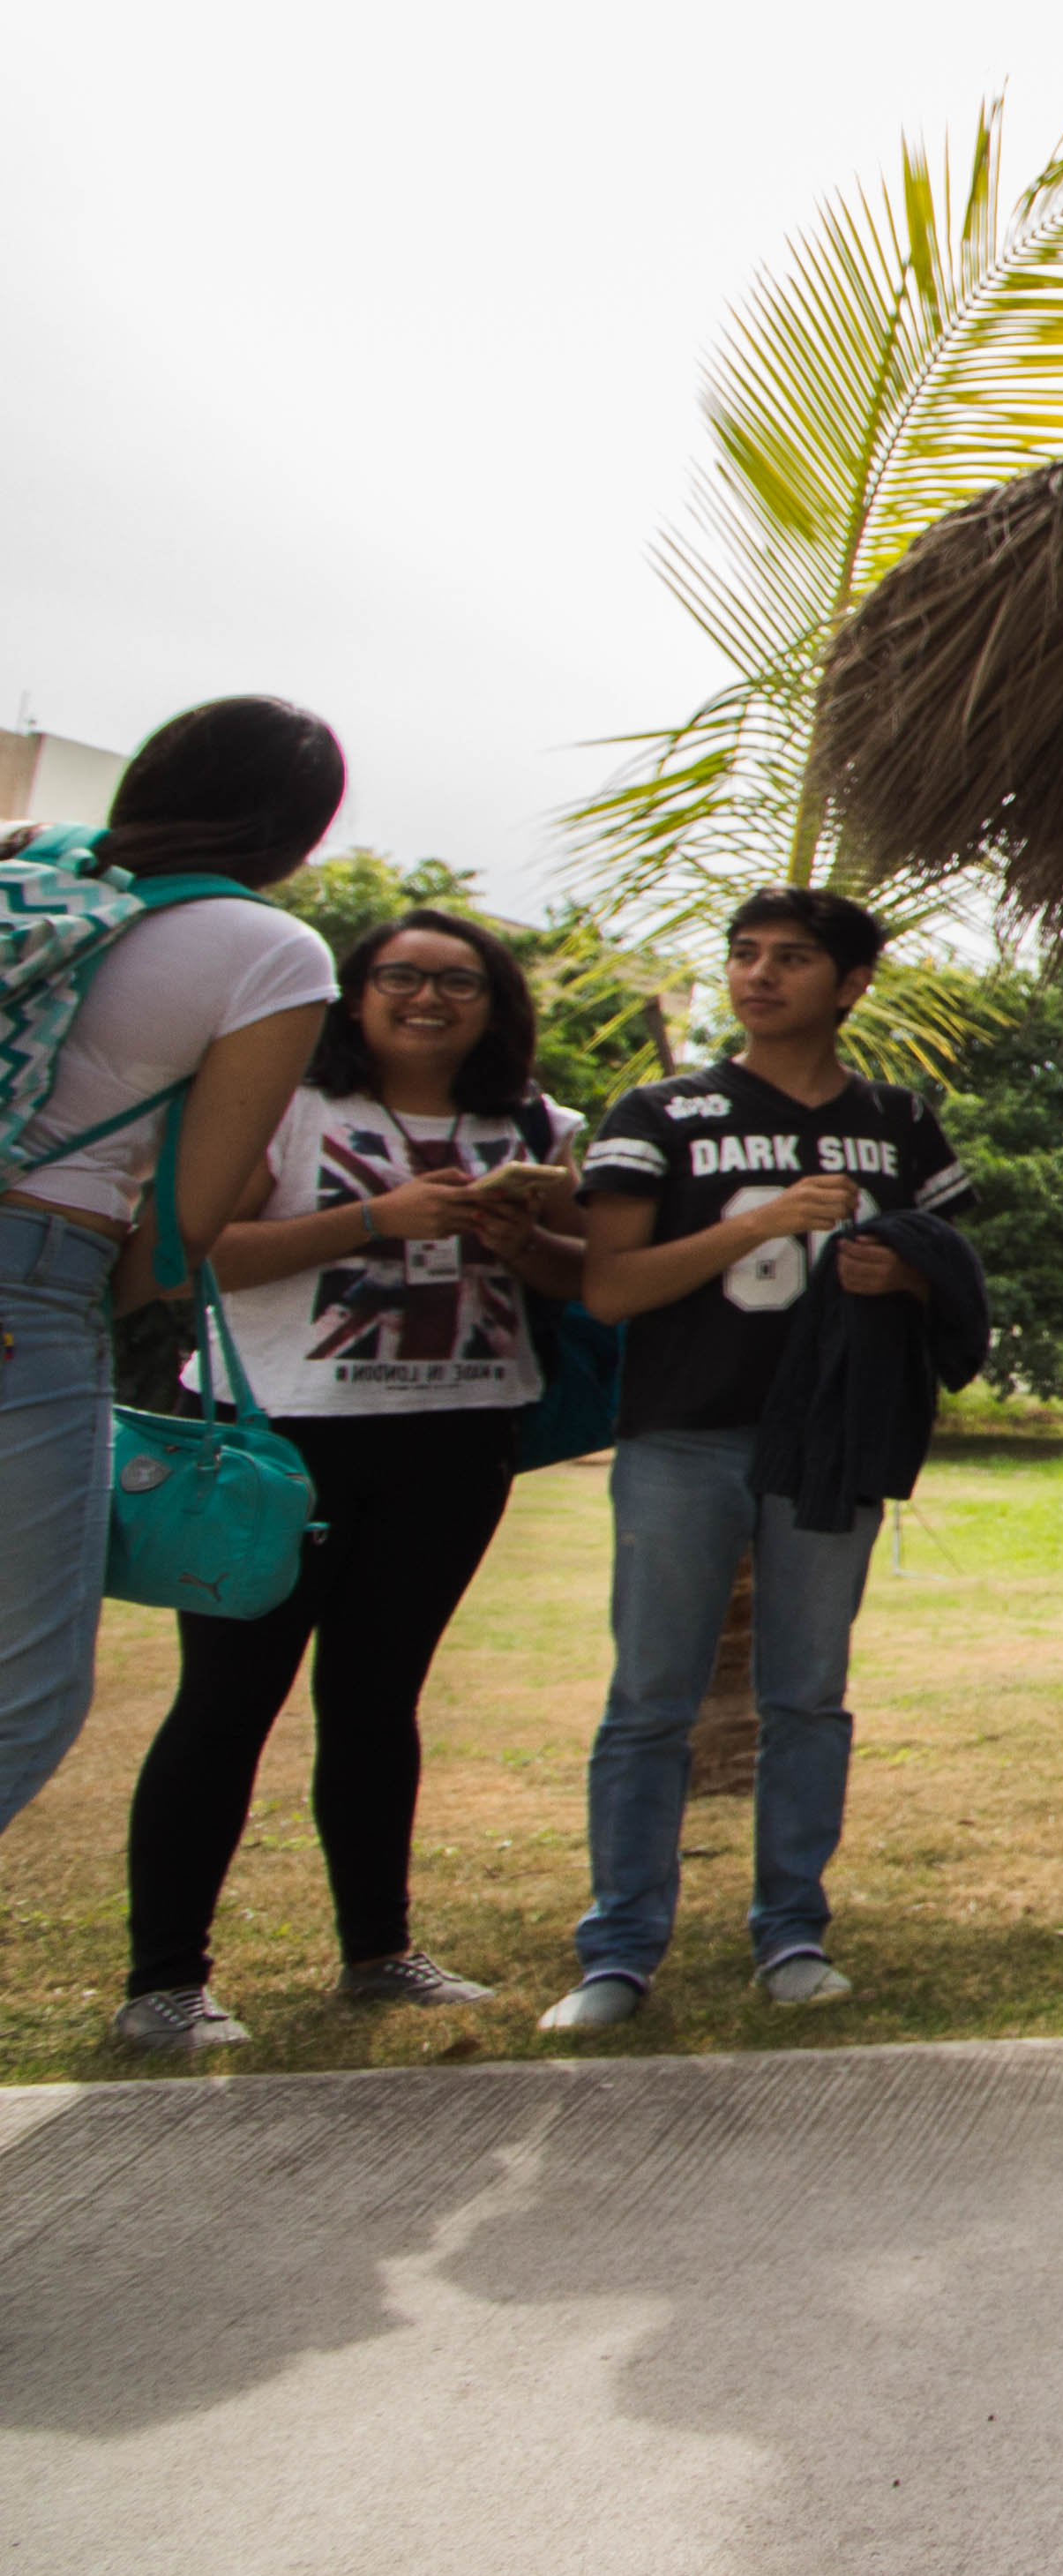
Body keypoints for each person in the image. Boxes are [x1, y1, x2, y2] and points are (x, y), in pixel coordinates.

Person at [112, 907, 586, 2046]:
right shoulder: (284, 1101)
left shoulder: (536, 1121)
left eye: (459, 981)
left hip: (460, 1434)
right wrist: (378, 1217)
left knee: (379, 1703)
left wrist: (520, 1234)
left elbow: (578, 1278)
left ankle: (380, 1952)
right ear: (356, 992)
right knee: (227, 1703)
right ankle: (164, 1981)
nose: (429, 998)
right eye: (401, 976)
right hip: (278, 1438)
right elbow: (189, 1248)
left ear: (497, 1002)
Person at [541, 888, 969, 2029]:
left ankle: (791, 1931)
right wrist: (758, 1222)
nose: (758, 976)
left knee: (809, 1697)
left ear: (852, 984)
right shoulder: (661, 1110)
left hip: (832, 1441)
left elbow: (961, 1274)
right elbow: (610, 1286)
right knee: (648, 1699)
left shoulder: (900, 1121)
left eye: (790, 958)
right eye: (744, 955)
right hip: (686, 1431)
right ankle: (618, 1951)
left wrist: (909, 1279)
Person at [0, 699, 345, 1839]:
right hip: (30, 1274)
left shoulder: (24, 865)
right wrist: (77, 1301)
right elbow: (185, 1226)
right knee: (23, 1693)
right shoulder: (269, 951)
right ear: (297, 835)